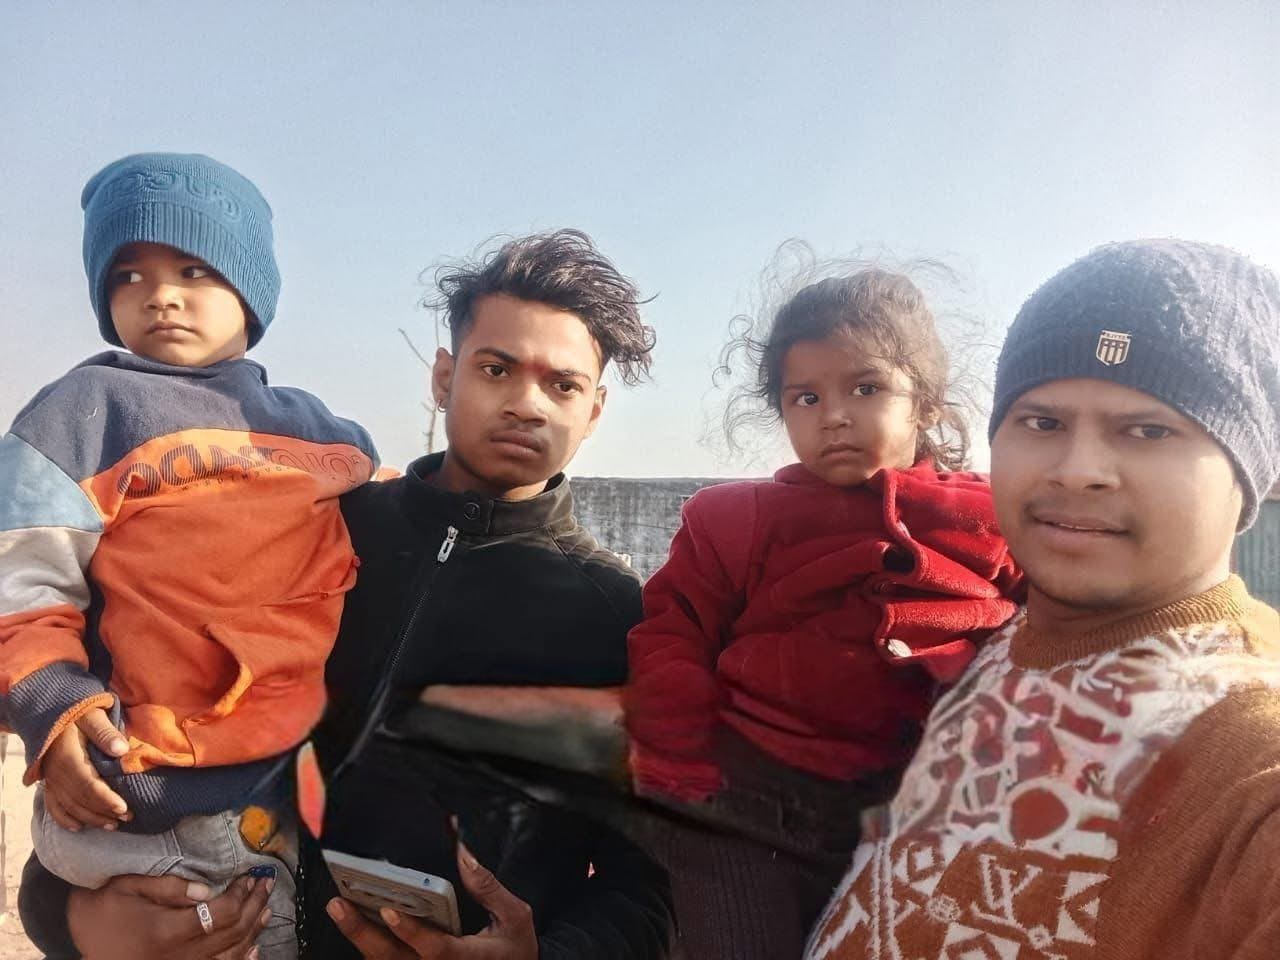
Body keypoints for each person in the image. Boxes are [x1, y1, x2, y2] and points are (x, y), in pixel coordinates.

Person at [21, 230, 675, 960]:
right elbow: (137, 734)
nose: (527, 405)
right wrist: (75, 919)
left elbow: (651, 885)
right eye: (496, 369)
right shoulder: (317, 529)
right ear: (443, 377)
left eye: (563, 386)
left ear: (595, 410)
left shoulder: (615, 613)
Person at [805, 239, 1280, 959]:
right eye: (1043, 422)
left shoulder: (1248, 751)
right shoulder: (996, 642)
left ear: (1246, 472)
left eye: (1148, 430)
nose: (1079, 470)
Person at [1, 152, 378, 959]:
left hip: (268, 782)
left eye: (194, 268)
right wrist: (52, 709)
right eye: (128, 274)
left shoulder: (315, 430)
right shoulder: (87, 410)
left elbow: (394, 495)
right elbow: (21, 580)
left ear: (252, 289)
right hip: (138, 788)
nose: (160, 294)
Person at [624, 268, 1022, 957]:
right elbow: (672, 632)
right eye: (806, 397)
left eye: (866, 389)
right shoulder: (737, 519)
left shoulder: (993, 520)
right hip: (745, 810)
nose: (834, 415)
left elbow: (1058, 629)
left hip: (921, 820)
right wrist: (680, 752)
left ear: (926, 403)